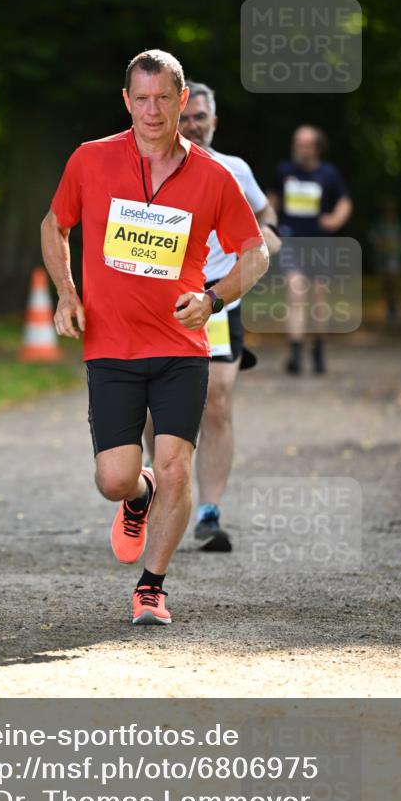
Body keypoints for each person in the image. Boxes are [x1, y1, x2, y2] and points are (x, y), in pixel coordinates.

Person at [41, 49, 268, 627]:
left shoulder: (213, 176)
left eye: (163, 98)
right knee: (115, 478)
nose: (152, 110)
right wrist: (68, 293)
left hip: (180, 345)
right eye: (141, 98)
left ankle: (152, 585)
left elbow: (256, 252)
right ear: (126, 101)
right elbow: (55, 224)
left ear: (181, 101)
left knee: (175, 466)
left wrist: (215, 297)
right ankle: (136, 497)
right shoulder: (91, 160)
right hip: (111, 347)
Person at [147, 81, 281, 552]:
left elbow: (267, 216)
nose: (193, 126)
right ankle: (160, 492)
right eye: (185, 118)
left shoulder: (234, 169)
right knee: (152, 406)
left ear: (213, 121)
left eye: (200, 117)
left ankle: (209, 512)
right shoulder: (152, 168)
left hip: (221, 298)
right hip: (162, 300)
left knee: (218, 401)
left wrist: (268, 236)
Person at [267, 126, 352, 375]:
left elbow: (345, 200)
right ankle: (294, 351)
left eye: (305, 144)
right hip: (292, 240)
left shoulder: (329, 174)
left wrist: (335, 219)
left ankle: (318, 346)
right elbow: (272, 199)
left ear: (316, 147)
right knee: (295, 291)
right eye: (297, 143)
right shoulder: (284, 171)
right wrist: (269, 223)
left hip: (319, 243)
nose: (300, 148)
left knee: (318, 299)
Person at [368, 198, 401, 322]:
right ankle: (390, 304)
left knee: (393, 279)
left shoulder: (397, 225)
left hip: (394, 258)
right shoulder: (379, 225)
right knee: (386, 283)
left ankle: (393, 304)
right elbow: (374, 240)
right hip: (382, 258)